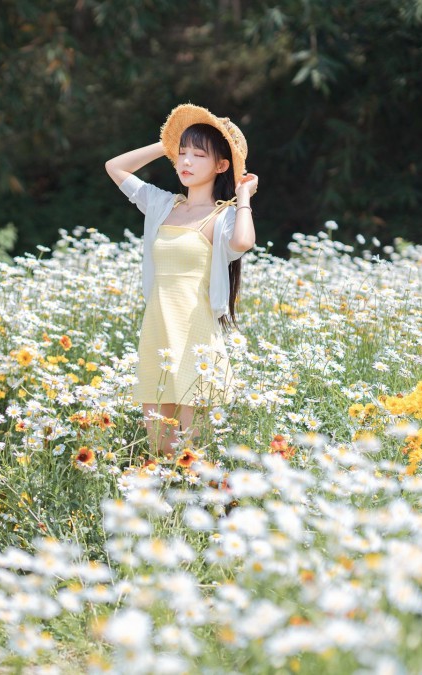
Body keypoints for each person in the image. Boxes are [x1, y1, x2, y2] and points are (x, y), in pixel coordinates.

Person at [103, 103, 258, 458]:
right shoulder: (162, 205)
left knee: (193, 455)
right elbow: (115, 167)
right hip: (157, 332)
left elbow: (243, 243)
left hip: (197, 340)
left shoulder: (224, 216)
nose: (185, 162)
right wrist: (168, 142)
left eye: (197, 155)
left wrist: (244, 195)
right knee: (160, 450)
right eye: (182, 154)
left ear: (221, 165)